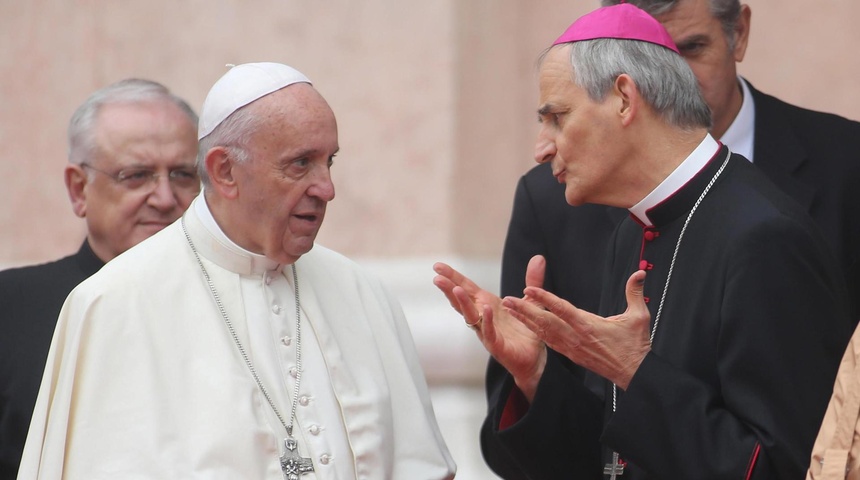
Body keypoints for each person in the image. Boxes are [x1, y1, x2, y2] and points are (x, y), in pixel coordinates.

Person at [434, 4, 850, 479]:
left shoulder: (765, 236)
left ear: (625, 99)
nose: (541, 147)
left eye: (557, 117)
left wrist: (638, 371)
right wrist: (537, 373)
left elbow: (785, 466)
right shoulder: (632, 229)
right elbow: (612, 461)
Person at [16, 62, 456, 479]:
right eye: (300, 163)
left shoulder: (362, 293)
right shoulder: (113, 302)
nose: (326, 188)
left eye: (329, 161)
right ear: (224, 171)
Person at [0, 78, 200, 478]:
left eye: (182, 175)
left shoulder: (235, 304)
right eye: (136, 175)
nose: (164, 198)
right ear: (79, 189)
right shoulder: (10, 308)